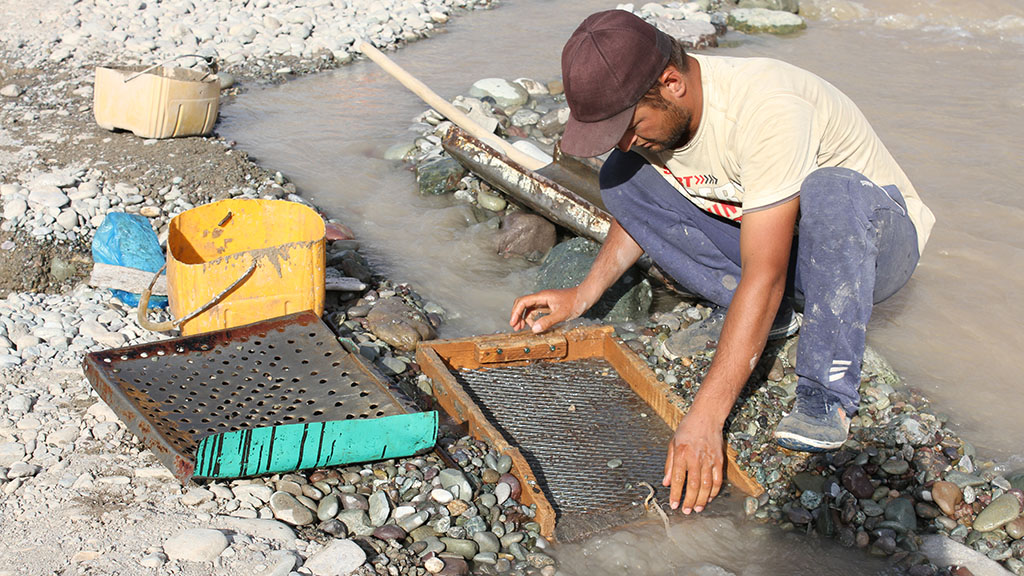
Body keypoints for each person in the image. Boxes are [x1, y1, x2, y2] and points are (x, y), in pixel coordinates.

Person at [509, 10, 934, 516]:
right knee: (622, 175)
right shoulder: (660, 124)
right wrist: (582, 294)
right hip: (787, 245)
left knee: (831, 190)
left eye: (628, 126)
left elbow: (767, 270)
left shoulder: (766, 109)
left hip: (872, 249)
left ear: (671, 83)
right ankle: (770, 316)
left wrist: (705, 418)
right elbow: (642, 212)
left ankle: (825, 393)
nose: (624, 140)